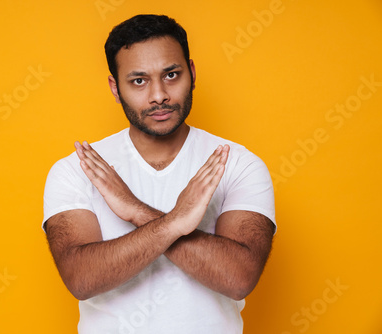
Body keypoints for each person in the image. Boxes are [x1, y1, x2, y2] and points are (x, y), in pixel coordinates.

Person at [42, 14, 276, 334]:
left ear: (191, 73)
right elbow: (81, 279)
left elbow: (238, 279)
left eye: (171, 75)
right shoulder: (78, 169)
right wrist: (174, 223)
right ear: (115, 87)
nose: (158, 95)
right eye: (139, 80)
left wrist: (138, 212)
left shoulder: (238, 164)